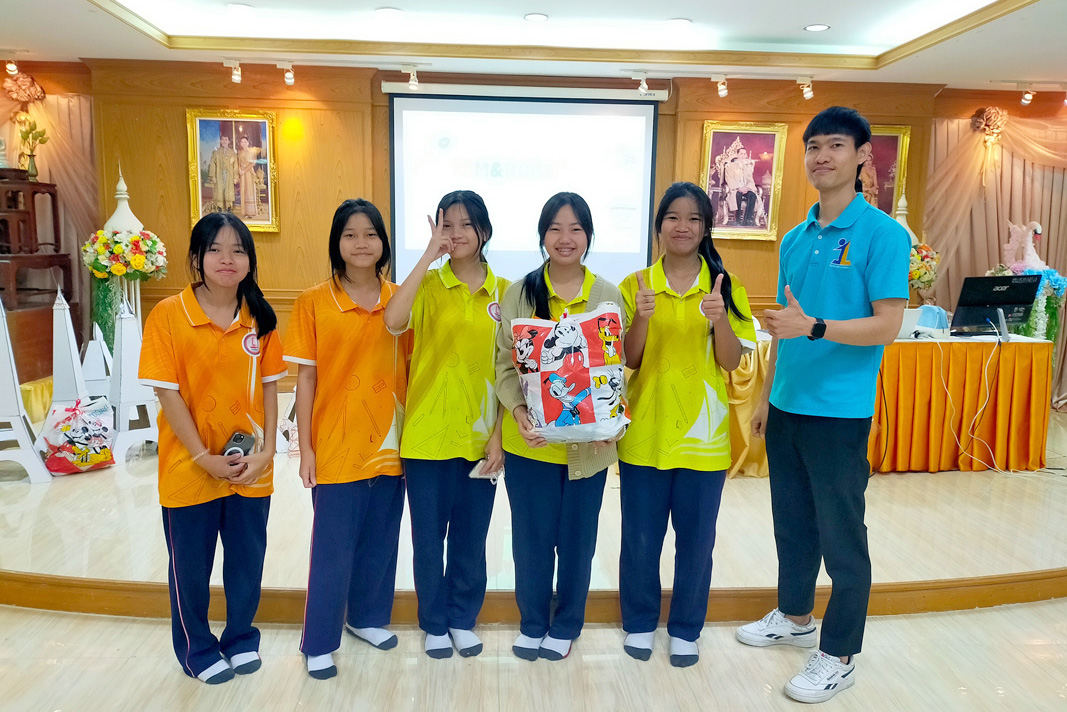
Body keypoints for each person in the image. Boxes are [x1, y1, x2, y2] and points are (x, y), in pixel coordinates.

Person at [736, 106, 909, 704]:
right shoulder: (795, 237)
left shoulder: (883, 235)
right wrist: (766, 396)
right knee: (792, 524)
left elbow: (887, 326)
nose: (821, 157)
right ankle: (794, 615)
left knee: (841, 536)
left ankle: (838, 654)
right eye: (813, 147)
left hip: (840, 411)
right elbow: (785, 328)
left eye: (835, 145)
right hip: (788, 405)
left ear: (862, 156)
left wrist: (815, 328)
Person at [139, 212, 284, 685]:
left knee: (247, 563)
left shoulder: (260, 317)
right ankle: (196, 649)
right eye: (216, 249)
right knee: (191, 569)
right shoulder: (168, 314)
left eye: (238, 250)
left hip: (249, 467)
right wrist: (204, 457)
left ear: (250, 260)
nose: (227, 259)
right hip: (189, 466)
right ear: (197, 258)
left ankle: (241, 638)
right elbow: (167, 394)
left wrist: (267, 453)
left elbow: (270, 389)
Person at [618, 181, 756, 667]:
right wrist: (641, 318)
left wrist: (720, 319)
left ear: (705, 228)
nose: (683, 226)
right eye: (673, 217)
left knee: (697, 542)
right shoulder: (635, 283)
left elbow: (731, 362)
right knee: (640, 538)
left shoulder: (725, 285)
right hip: (645, 432)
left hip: (704, 437)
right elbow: (629, 360)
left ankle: (685, 628)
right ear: (659, 226)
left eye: (694, 218)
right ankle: (639, 622)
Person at [494, 192, 623, 662]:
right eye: (555, 228)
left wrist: (611, 419)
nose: (565, 238)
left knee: (577, 544)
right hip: (531, 446)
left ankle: (566, 625)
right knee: (530, 542)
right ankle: (532, 623)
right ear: (542, 235)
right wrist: (518, 411)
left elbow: (618, 368)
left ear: (588, 235)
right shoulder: (519, 293)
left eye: (575, 229)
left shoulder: (609, 294)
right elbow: (503, 365)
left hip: (589, 449)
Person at [285, 198, 410, 680]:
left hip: (391, 443)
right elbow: (306, 380)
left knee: (381, 540)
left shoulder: (401, 298)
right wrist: (305, 449)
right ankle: (319, 640)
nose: (361, 243)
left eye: (371, 234)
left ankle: (367, 618)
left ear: (384, 243)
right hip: (336, 445)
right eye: (350, 234)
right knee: (332, 549)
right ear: (336, 243)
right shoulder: (314, 301)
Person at [383, 190, 509, 659]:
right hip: (426, 436)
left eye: (465, 225)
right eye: (446, 225)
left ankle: (462, 619)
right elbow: (393, 320)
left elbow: (512, 370)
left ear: (484, 231)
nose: (455, 234)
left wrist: (499, 435)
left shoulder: (507, 292)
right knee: (428, 539)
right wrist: (426, 256)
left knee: (471, 540)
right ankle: (434, 623)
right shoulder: (429, 285)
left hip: (481, 438)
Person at [206, 132, 238, 212]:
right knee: (219, 190)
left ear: (229, 141)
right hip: (219, 174)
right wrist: (213, 176)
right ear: (220, 141)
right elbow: (212, 164)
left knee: (228, 191)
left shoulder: (232, 152)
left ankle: (228, 208)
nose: (224, 141)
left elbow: (235, 166)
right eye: (223, 139)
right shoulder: (216, 152)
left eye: (226, 139)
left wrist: (235, 177)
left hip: (229, 175)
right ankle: (219, 208)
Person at [236, 135, 261, 219]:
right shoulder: (240, 152)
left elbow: (253, 163)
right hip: (242, 174)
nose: (243, 143)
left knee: (250, 191)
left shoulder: (252, 151)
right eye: (242, 142)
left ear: (248, 143)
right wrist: (239, 170)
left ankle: (251, 212)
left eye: (245, 142)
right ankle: (245, 212)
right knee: (243, 190)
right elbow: (238, 162)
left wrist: (244, 170)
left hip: (249, 173)